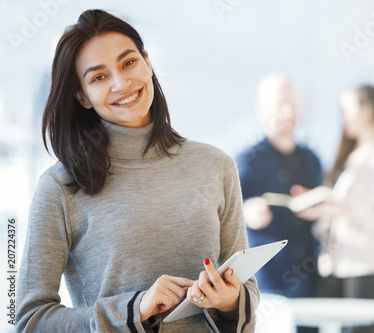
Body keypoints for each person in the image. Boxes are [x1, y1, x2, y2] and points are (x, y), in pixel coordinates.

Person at [16, 9, 258, 333]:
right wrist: (134, 310)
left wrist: (229, 301)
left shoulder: (216, 166)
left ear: (147, 61)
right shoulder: (60, 186)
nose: (121, 82)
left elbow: (248, 293)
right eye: (99, 77)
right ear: (82, 97)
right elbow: (31, 321)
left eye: (129, 62)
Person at [293, 85, 374, 333]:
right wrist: (318, 208)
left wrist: (337, 211)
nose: (342, 117)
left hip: (366, 264)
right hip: (338, 262)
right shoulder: (351, 155)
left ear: (368, 110)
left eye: (347, 109)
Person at [235, 73, 322, 299]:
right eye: (281, 105)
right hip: (267, 282)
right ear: (261, 110)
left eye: (293, 104)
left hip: (311, 280)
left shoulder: (311, 159)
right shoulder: (247, 161)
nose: (289, 112)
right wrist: (247, 212)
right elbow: (222, 214)